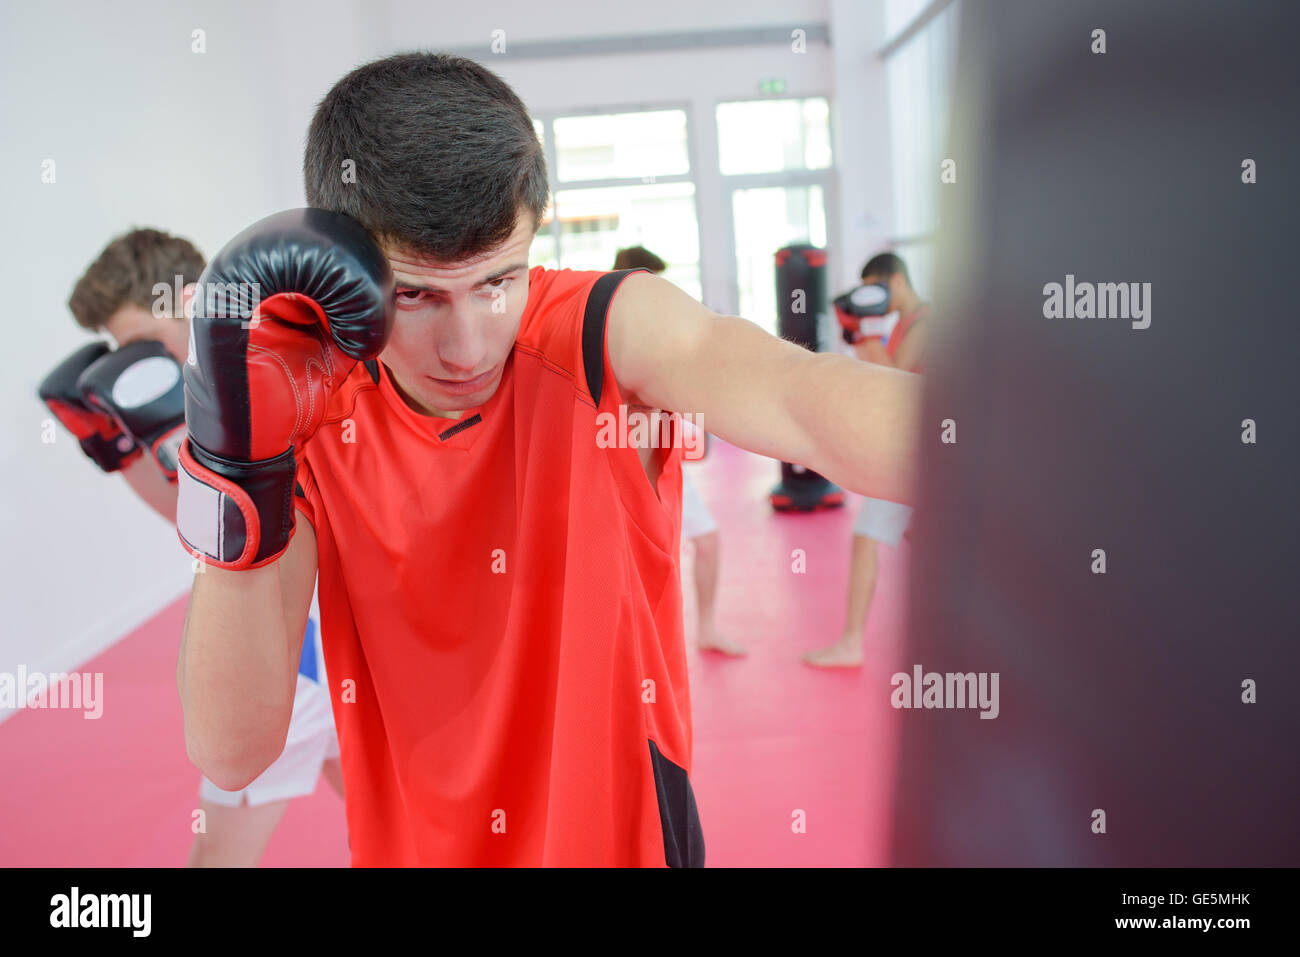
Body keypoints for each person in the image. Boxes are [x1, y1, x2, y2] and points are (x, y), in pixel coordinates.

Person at [176, 52, 921, 867]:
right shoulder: (317, 403)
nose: (466, 346)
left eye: (499, 279)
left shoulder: (603, 331)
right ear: (341, 267)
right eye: (417, 295)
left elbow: (799, 397)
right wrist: (238, 464)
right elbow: (232, 750)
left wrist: (1047, 445)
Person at [40, 228, 345, 867]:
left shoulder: (281, 358)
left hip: (297, 657)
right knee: (390, 817)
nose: (136, 369)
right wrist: (117, 447)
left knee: (217, 860)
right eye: (125, 353)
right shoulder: (206, 390)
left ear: (190, 299)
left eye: (145, 346)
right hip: (316, 644)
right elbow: (203, 524)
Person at [612, 246, 744, 657]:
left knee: (705, 540)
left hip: (660, 465)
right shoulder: (609, 328)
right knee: (624, 564)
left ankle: (705, 630)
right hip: (618, 467)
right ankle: (625, 649)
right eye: (653, 280)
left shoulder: (654, 327)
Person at [804, 252, 927, 668]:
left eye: (874, 287)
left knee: (866, 538)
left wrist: (864, 335)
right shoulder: (905, 325)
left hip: (914, 455)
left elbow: (895, 382)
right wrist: (859, 338)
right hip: (916, 448)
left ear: (893, 281)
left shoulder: (925, 324)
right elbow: (880, 377)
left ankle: (851, 643)